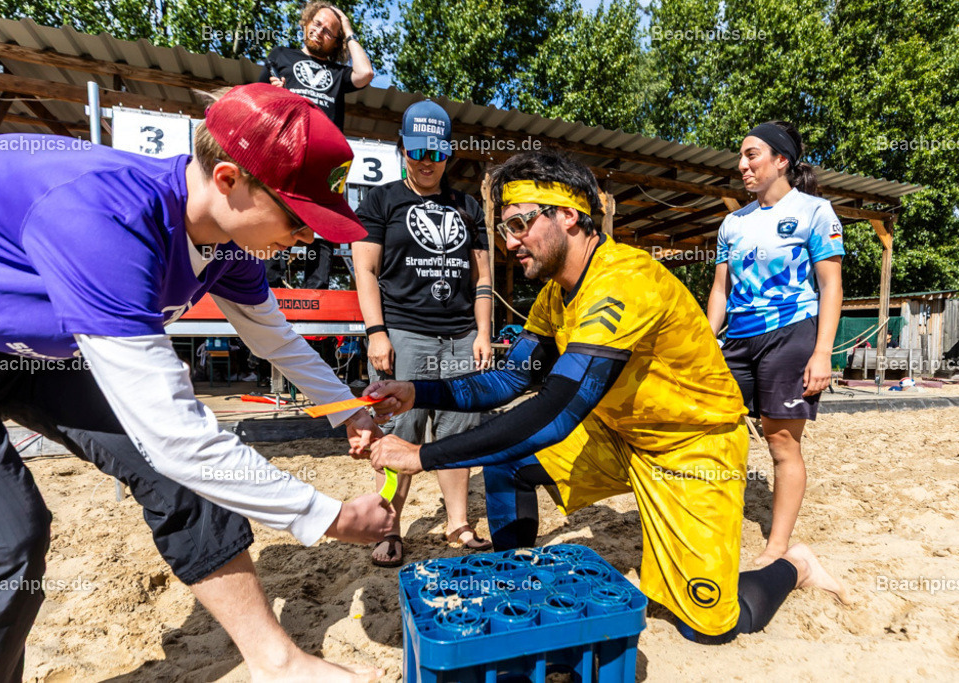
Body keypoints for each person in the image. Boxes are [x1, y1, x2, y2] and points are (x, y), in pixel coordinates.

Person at [0, 85, 392, 683]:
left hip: (33, 346)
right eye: (296, 215)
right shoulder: (106, 220)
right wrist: (327, 516)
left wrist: (348, 412)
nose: (307, 237)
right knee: (1, 543)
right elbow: (176, 437)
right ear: (230, 180)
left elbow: (274, 339)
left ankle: (275, 661)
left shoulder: (228, 239)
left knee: (182, 483)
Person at [365, 148, 849, 645]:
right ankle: (511, 586)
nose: (510, 242)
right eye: (506, 229)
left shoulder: (623, 280)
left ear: (569, 216)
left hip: (691, 446)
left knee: (711, 627)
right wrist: (415, 391)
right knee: (508, 463)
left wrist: (423, 455)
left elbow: (555, 412)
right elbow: (509, 381)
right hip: (620, 432)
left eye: (519, 224)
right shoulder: (557, 292)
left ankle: (795, 565)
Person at [353, 101, 493, 567]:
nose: (427, 160)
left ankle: (458, 523)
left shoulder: (468, 205)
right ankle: (388, 528)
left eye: (436, 151)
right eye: (417, 151)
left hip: (458, 335)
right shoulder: (381, 200)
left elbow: (483, 279)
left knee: (457, 430)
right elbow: (365, 270)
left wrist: (483, 332)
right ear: (403, 149)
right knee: (401, 430)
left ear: (448, 153)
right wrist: (377, 332)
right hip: (405, 333)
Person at [706, 121, 844, 568]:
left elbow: (831, 287)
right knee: (711, 429)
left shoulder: (816, 212)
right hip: (738, 339)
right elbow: (720, 290)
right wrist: (707, 339)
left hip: (792, 333)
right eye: (741, 156)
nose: (741, 164)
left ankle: (776, 547)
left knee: (781, 442)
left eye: (751, 155)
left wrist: (822, 352)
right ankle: (709, 521)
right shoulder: (732, 222)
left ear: (781, 160)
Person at [259, 1, 374, 290]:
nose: (320, 31)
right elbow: (256, 99)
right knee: (274, 215)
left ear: (336, 42)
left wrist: (347, 29)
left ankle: (316, 292)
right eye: (317, 24)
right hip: (284, 153)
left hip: (326, 162)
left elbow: (365, 74)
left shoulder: (337, 72)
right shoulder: (280, 55)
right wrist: (270, 94)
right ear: (307, 22)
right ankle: (268, 288)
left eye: (329, 31)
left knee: (322, 225)